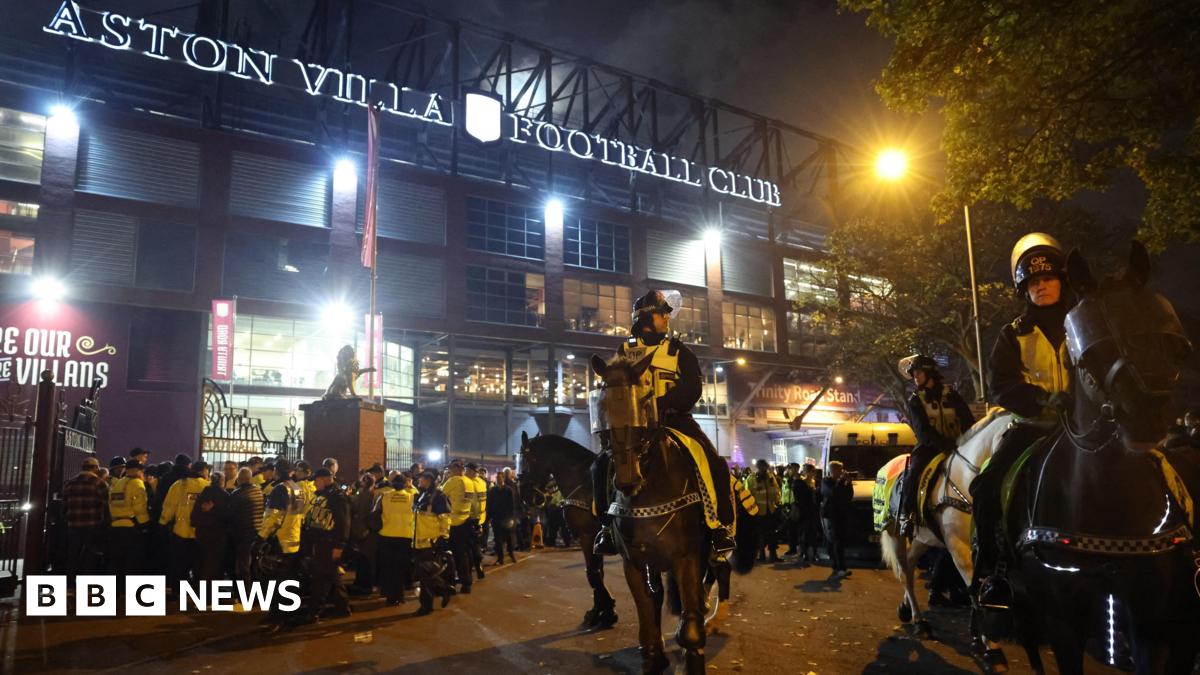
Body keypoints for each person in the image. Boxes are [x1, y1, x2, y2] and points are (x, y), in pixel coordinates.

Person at [970, 233, 1073, 617]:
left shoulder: (1085, 323)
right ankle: (993, 572)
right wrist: (1044, 400)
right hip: (1034, 426)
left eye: (1047, 278)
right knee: (985, 486)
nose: (1040, 285)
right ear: (1023, 290)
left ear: (1062, 281)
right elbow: (1001, 385)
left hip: (1085, 427)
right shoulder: (1011, 334)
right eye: (1032, 282)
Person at [591, 290, 737, 559]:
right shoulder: (624, 351)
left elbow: (693, 387)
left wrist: (663, 403)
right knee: (599, 466)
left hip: (675, 421)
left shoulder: (679, 351)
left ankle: (718, 527)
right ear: (647, 317)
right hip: (637, 428)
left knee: (714, 462)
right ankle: (606, 528)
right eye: (663, 313)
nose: (668, 318)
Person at [897, 354, 976, 537]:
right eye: (914, 374)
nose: (915, 378)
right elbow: (923, 432)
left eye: (918, 373)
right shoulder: (915, 400)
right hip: (929, 448)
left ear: (929, 372)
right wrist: (945, 445)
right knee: (913, 474)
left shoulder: (952, 395)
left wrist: (966, 441)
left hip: (958, 446)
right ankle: (907, 516)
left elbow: (968, 421)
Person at [257, 457, 307, 628]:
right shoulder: (298, 489)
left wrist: (262, 536)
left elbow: (273, 517)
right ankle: (288, 616)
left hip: (280, 540)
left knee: (276, 582)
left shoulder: (279, 489)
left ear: (277, 471)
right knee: (289, 581)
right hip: (294, 539)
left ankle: (278, 618)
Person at [299, 468, 352, 623]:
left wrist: (339, 546)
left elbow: (343, 523)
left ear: (324, 479)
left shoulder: (337, 497)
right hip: (321, 542)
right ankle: (341, 608)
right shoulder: (322, 495)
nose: (314, 484)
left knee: (322, 577)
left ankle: (315, 611)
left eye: (316, 480)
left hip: (329, 543)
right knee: (330, 576)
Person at [158, 460, 210, 592]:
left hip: (180, 532)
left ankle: (177, 591)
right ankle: (198, 591)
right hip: (200, 532)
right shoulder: (206, 486)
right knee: (199, 564)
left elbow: (169, 507)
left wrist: (162, 523)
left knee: (179, 564)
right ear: (203, 471)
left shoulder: (178, 485)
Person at [412, 470, 453, 616]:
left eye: (421, 478)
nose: (419, 480)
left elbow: (445, 517)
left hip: (430, 541)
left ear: (429, 479)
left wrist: (443, 536)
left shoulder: (438, 496)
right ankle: (444, 589)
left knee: (425, 574)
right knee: (426, 573)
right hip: (419, 541)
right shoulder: (423, 494)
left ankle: (426, 606)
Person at [375, 472, 417, 605]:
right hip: (405, 535)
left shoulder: (384, 497)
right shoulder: (411, 497)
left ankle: (389, 596)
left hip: (387, 535)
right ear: (405, 484)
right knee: (400, 568)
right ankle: (399, 595)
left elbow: (376, 512)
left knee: (388, 567)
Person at [64, 457, 108, 579]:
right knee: (90, 553)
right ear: (96, 468)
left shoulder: (70, 483)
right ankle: (87, 580)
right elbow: (106, 503)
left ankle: (71, 580)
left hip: (73, 523)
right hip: (92, 523)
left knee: (73, 553)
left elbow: (65, 502)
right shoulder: (99, 483)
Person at [108, 459, 150, 578]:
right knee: (132, 561)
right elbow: (140, 507)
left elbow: (110, 503)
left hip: (115, 525)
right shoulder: (137, 483)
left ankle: (115, 590)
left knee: (116, 561)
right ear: (137, 471)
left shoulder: (118, 484)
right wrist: (144, 525)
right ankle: (130, 591)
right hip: (131, 526)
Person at [441, 460, 476, 593]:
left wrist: (444, 480)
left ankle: (450, 584)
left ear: (456, 468)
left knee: (450, 556)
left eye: (450, 469)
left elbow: (439, 494)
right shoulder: (469, 482)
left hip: (453, 523)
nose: (449, 471)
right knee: (463, 555)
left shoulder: (453, 481)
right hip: (465, 521)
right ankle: (466, 583)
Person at [192, 470, 232, 582]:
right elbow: (227, 515)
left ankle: (200, 588)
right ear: (222, 482)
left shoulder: (203, 495)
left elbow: (194, 516)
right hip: (218, 535)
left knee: (202, 561)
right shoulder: (225, 496)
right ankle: (212, 592)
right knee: (216, 564)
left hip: (202, 533)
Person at [229, 467, 263, 584]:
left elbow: (231, 513)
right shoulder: (258, 490)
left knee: (243, 566)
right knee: (254, 565)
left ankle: (245, 594)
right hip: (257, 532)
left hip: (244, 533)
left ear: (239, 479)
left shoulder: (238, 493)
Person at [820, 460, 853, 580]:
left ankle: (838, 567)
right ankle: (840, 568)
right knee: (835, 540)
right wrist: (840, 482)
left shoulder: (841, 481)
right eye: (840, 470)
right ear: (833, 470)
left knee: (838, 541)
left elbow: (848, 496)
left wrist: (848, 483)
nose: (842, 472)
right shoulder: (826, 481)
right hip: (831, 515)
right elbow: (833, 493)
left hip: (841, 514)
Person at [745, 459, 782, 562]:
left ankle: (773, 555)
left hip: (771, 510)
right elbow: (747, 495)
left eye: (765, 467)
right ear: (758, 467)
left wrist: (777, 503)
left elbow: (777, 491)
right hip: (758, 512)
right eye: (761, 467)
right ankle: (761, 555)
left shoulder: (770, 477)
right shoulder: (751, 478)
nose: (764, 469)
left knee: (772, 534)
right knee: (760, 534)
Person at [487, 472, 518, 564]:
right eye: (497, 478)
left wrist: (512, 518)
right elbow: (489, 504)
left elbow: (512, 505)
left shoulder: (508, 490)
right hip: (496, 518)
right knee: (498, 539)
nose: (498, 479)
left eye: (500, 478)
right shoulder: (493, 490)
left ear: (503, 478)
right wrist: (490, 517)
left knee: (508, 538)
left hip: (506, 518)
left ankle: (511, 554)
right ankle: (500, 558)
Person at [465, 462, 487, 580]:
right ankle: (479, 567)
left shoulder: (469, 483)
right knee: (476, 545)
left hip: (470, 518)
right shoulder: (482, 483)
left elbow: (471, 503)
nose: (465, 472)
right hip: (480, 519)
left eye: (467, 470)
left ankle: (469, 570)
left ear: (472, 471)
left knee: (468, 547)